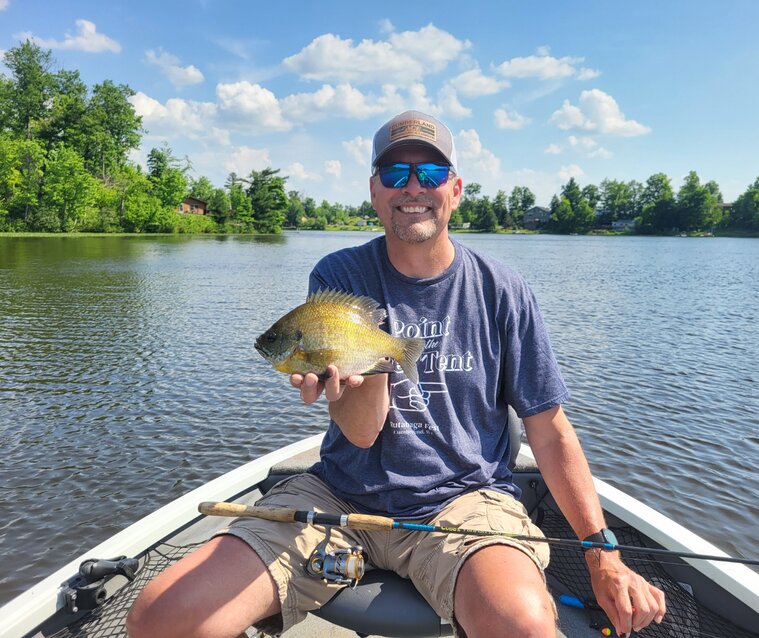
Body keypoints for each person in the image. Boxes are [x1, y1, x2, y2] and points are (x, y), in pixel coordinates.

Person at [127, 110, 666, 638]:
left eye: (429, 174)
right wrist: (367, 369)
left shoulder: (503, 290)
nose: (412, 187)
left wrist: (603, 553)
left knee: (523, 625)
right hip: (338, 496)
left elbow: (548, 430)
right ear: (374, 190)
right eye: (395, 174)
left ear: (454, 189)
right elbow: (362, 433)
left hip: (465, 501)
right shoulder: (339, 274)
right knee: (161, 619)